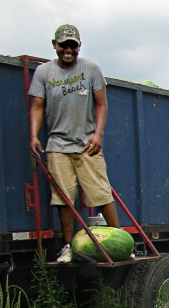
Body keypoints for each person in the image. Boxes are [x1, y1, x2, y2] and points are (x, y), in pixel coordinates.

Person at [28, 24, 121, 264]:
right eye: (63, 45)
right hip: (57, 145)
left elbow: (102, 104)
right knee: (63, 198)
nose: (68, 50)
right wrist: (34, 135)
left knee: (101, 193)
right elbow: (37, 106)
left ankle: (122, 243)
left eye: (73, 45)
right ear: (55, 45)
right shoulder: (43, 72)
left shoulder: (91, 69)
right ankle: (68, 246)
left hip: (87, 144)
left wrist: (98, 134)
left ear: (79, 46)